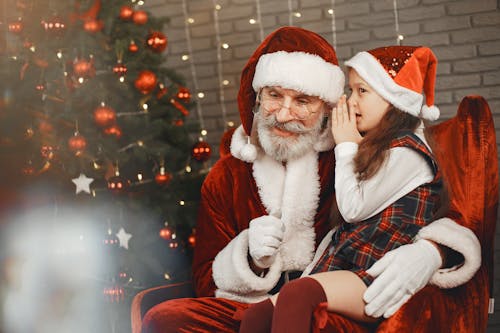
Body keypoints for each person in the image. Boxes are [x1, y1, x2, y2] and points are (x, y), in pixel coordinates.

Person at [141, 27, 481, 333]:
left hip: (330, 301)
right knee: (166, 318)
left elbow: (436, 205)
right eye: (274, 95)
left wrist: (431, 251)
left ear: (327, 108)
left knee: (312, 318)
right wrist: (248, 255)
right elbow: (204, 279)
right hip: (253, 301)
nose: (285, 113)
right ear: (257, 97)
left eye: (303, 101)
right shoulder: (227, 176)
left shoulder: (352, 153)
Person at [239, 45, 459, 332]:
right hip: (348, 267)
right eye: (351, 91)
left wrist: (345, 145)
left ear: (393, 98)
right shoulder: (378, 147)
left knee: (299, 294)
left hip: (376, 273)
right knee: (257, 315)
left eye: (362, 91)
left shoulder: (409, 150)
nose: (351, 102)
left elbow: (354, 209)